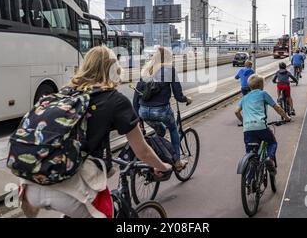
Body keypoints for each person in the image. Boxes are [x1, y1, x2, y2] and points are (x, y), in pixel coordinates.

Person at [19, 46, 172, 218]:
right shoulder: (115, 100)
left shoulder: (64, 93)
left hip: (31, 183)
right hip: (72, 191)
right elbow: (142, 150)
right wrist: (162, 166)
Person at [133, 47, 192, 171]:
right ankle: (177, 162)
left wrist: (138, 118)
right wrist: (187, 99)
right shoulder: (170, 70)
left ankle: (156, 157)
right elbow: (178, 95)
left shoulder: (146, 70)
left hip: (143, 111)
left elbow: (137, 94)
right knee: (173, 129)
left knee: (160, 131)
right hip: (161, 111)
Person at [235, 74, 291, 175]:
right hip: (261, 126)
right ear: (262, 85)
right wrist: (286, 118)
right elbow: (277, 107)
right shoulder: (263, 94)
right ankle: (269, 158)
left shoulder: (244, 98)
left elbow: (236, 112)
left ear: (249, 86)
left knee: (251, 154)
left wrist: (244, 122)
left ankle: (250, 181)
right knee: (272, 143)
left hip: (247, 129)